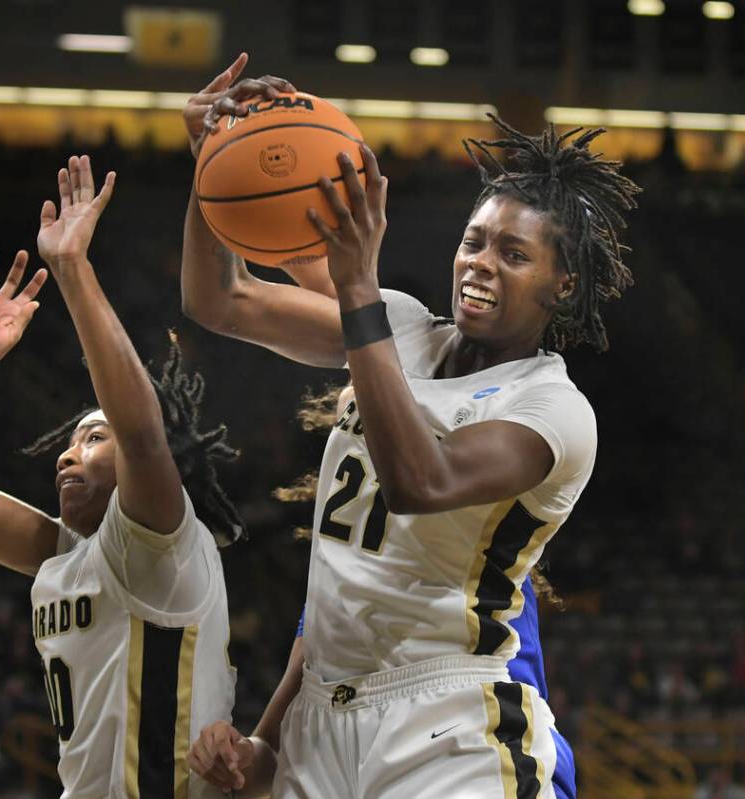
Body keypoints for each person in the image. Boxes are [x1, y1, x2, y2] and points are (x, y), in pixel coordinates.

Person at [181, 55, 639, 798]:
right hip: (321, 715)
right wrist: (211, 167)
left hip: (450, 716)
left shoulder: (552, 410)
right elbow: (220, 298)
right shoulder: (394, 323)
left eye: (512, 254)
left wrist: (358, 286)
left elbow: (419, 481)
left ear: (563, 286)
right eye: (473, 241)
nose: (480, 264)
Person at [0, 154, 241, 798]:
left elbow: (141, 429)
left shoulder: (161, 545)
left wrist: (71, 268)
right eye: (67, 443)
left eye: (93, 438)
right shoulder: (69, 554)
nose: (67, 454)